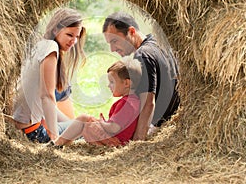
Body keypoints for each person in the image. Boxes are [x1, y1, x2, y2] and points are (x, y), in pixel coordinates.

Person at [12, 8, 86, 143]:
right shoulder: (51, 48)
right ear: (55, 30)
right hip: (33, 133)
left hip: (20, 127)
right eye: (70, 35)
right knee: (87, 125)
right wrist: (55, 138)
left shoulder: (40, 45)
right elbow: (46, 96)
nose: (74, 41)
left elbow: (44, 102)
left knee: (78, 124)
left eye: (77, 37)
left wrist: (71, 123)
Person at [102, 11, 180, 140]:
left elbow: (148, 102)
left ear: (132, 31)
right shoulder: (157, 42)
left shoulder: (143, 56)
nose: (112, 49)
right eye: (109, 43)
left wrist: (137, 143)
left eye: (115, 41)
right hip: (173, 122)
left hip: (160, 127)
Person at [54, 57, 142, 147]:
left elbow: (114, 128)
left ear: (127, 83)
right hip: (117, 141)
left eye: (112, 82)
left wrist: (102, 122)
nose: (108, 85)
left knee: (83, 119)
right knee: (86, 121)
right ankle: (65, 142)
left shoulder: (126, 104)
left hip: (114, 142)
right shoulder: (135, 102)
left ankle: (57, 144)